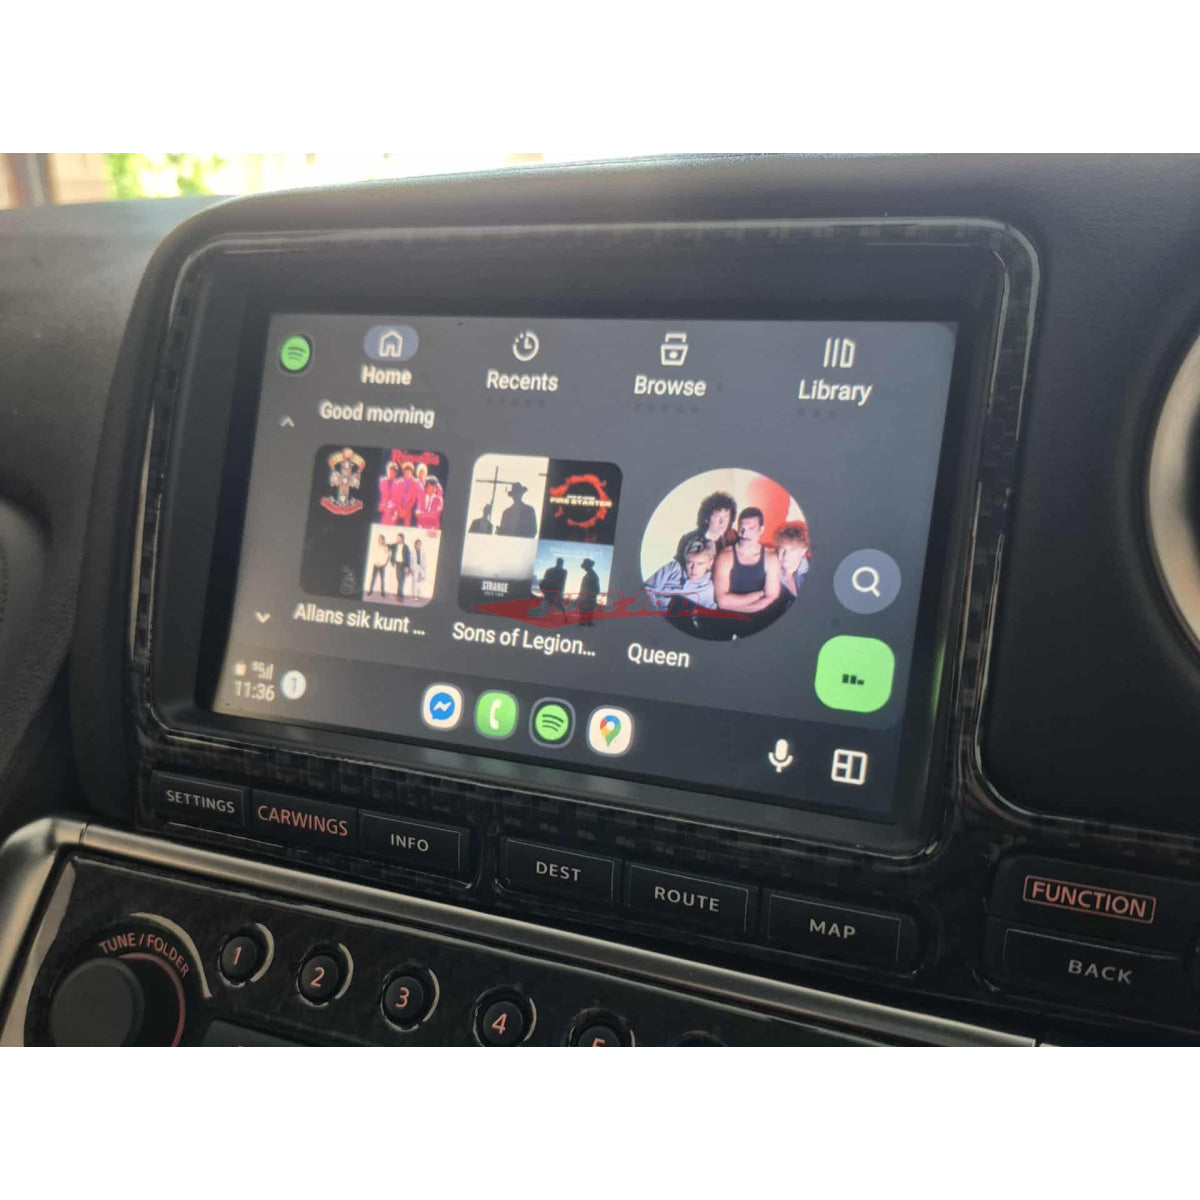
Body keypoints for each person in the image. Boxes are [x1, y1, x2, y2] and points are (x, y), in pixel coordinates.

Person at [713, 507, 781, 619]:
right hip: (728, 619)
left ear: (761, 529)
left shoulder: (770, 557)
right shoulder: (725, 556)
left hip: (760, 619)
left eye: (751, 528)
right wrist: (758, 595)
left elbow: (771, 597)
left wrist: (734, 605)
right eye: (742, 528)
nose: (744, 534)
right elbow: (722, 602)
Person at [643, 538, 716, 613]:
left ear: (709, 563)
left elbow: (709, 615)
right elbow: (646, 589)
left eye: (700, 564)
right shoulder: (673, 568)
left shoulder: (707, 590)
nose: (693, 569)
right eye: (690, 562)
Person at [675, 491, 737, 566]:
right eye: (717, 516)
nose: (722, 522)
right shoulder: (689, 539)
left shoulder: (733, 539)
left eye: (725, 517)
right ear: (707, 518)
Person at [394, 461, 423, 526]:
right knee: (392, 521)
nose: (406, 474)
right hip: (398, 508)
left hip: (409, 509)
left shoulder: (416, 483)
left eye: (408, 473)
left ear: (411, 473)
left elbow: (415, 499)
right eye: (405, 473)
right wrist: (399, 509)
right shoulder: (399, 482)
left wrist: (406, 510)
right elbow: (396, 497)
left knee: (407, 525)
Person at [578, 557, 602, 625]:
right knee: (583, 620)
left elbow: (597, 589)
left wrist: (588, 597)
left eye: (585, 566)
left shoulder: (593, 575)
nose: (584, 568)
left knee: (586, 620)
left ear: (588, 565)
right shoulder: (589, 575)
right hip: (585, 600)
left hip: (588, 600)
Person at [391, 533, 412, 600]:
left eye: (398, 538)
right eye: (397, 538)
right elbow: (389, 546)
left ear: (402, 539)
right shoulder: (395, 545)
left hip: (403, 565)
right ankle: (400, 594)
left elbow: (408, 557)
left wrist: (407, 567)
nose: (397, 539)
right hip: (397, 564)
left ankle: (400, 595)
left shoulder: (406, 547)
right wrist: (385, 545)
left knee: (401, 580)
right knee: (399, 579)